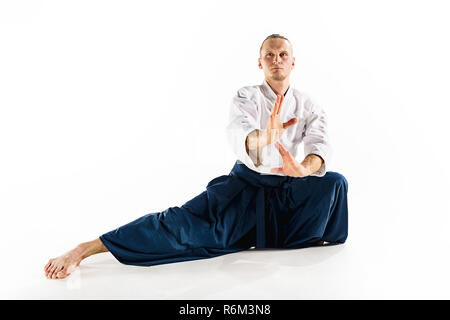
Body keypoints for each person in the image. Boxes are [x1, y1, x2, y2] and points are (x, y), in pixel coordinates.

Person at [44, 34, 348, 280]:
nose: (276, 59)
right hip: (243, 191)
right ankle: (85, 249)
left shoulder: (309, 104)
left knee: (334, 183)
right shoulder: (246, 96)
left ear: (293, 62)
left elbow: (318, 147)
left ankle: (291, 235)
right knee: (177, 225)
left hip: (286, 191)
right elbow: (239, 133)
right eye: (270, 54)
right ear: (260, 62)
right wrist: (264, 137)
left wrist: (304, 169)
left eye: (283, 54)